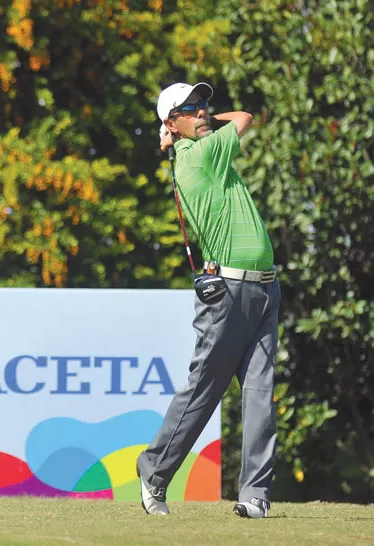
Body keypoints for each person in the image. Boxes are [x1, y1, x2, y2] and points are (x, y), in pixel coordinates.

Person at [136, 82, 280, 519]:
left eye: (204, 104)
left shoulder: (202, 152)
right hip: (231, 293)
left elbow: (235, 122)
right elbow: (245, 118)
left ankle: (255, 494)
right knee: (204, 391)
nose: (202, 112)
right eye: (190, 108)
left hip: (264, 287)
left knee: (260, 394)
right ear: (171, 122)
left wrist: (185, 127)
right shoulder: (199, 156)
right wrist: (205, 125)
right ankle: (154, 473)